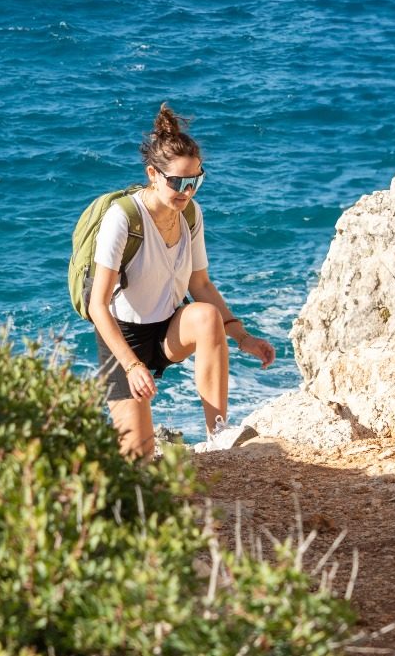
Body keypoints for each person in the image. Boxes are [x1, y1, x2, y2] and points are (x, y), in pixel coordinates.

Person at [87, 104, 274, 459]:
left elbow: (200, 284)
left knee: (206, 315)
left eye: (195, 181)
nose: (186, 192)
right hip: (123, 339)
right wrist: (132, 366)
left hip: (166, 329)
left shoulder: (190, 213)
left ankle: (218, 432)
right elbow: (98, 306)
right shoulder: (122, 218)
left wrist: (243, 337)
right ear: (153, 174)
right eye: (178, 182)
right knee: (138, 460)